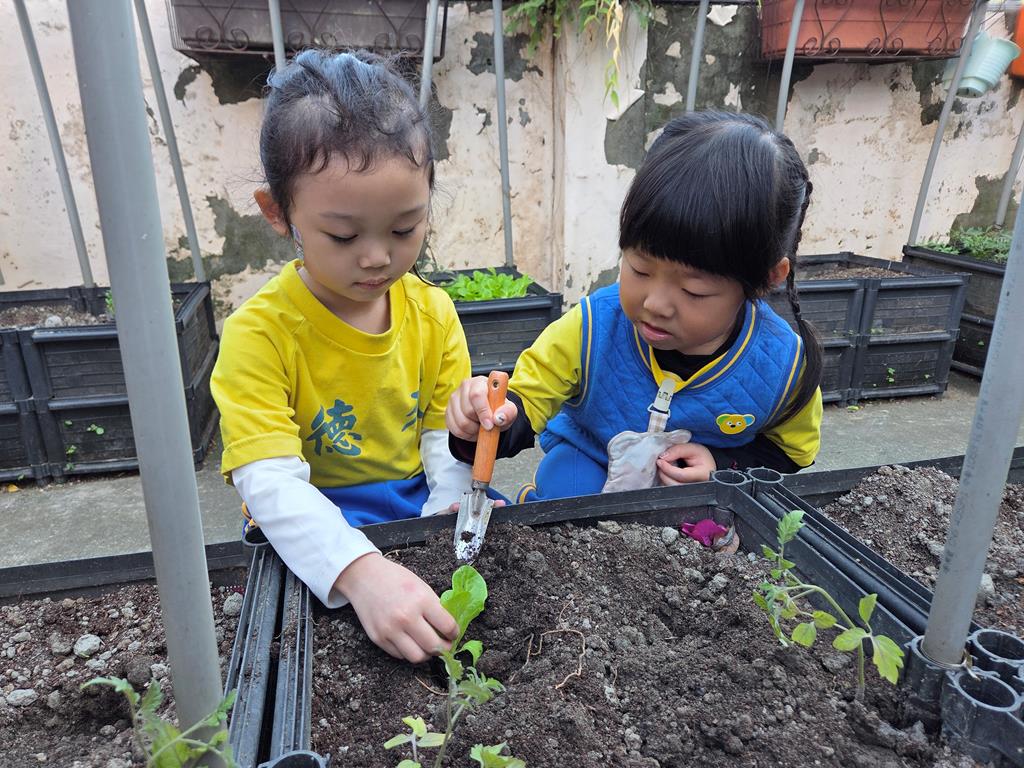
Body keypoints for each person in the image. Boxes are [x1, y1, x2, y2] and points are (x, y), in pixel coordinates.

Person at [211, 49, 483, 664]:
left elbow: (441, 437)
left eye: (405, 228)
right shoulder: (259, 334)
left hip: (412, 503)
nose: (377, 257)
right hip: (311, 521)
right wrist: (360, 573)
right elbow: (270, 482)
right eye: (343, 235)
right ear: (277, 212)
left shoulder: (433, 313)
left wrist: (442, 520)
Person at [446, 111, 823, 501]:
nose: (655, 304)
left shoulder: (782, 365)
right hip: (589, 459)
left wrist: (724, 465)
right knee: (567, 494)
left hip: (690, 493)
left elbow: (792, 451)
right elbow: (527, 399)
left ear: (767, 278)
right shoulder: (595, 325)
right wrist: (485, 420)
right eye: (640, 269)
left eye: (693, 290)